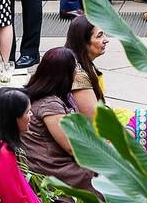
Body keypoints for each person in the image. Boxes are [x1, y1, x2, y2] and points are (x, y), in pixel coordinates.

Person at [22, 47, 95, 193]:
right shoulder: (49, 104)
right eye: (76, 67)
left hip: (51, 159)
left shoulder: (53, 94)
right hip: (52, 167)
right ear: (66, 74)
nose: (78, 71)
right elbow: (71, 146)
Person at [64, 15, 110, 121]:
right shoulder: (78, 76)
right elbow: (95, 119)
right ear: (83, 42)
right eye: (99, 36)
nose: (106, 40)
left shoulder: (84, 64)